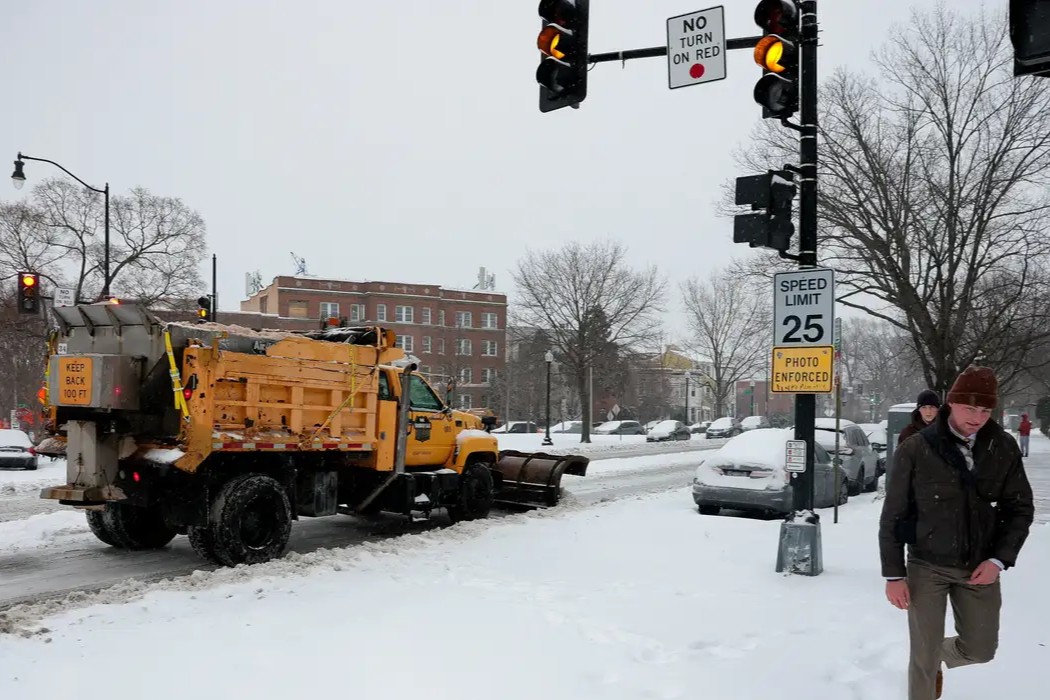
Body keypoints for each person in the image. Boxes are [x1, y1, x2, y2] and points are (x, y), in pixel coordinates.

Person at [879, 366, 1034, 699]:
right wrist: (894, 575)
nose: (977, 417)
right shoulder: (917, 448)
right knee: (922, 656)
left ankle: (936, 657)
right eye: (969, 408)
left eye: (985, 410)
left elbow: (1019, 508)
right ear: (951, 404)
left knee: (980, 649)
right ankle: (927, 664)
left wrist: (998, 559)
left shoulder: (1002, 447)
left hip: (979, 567)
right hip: (926, 565)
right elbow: (893, 514)